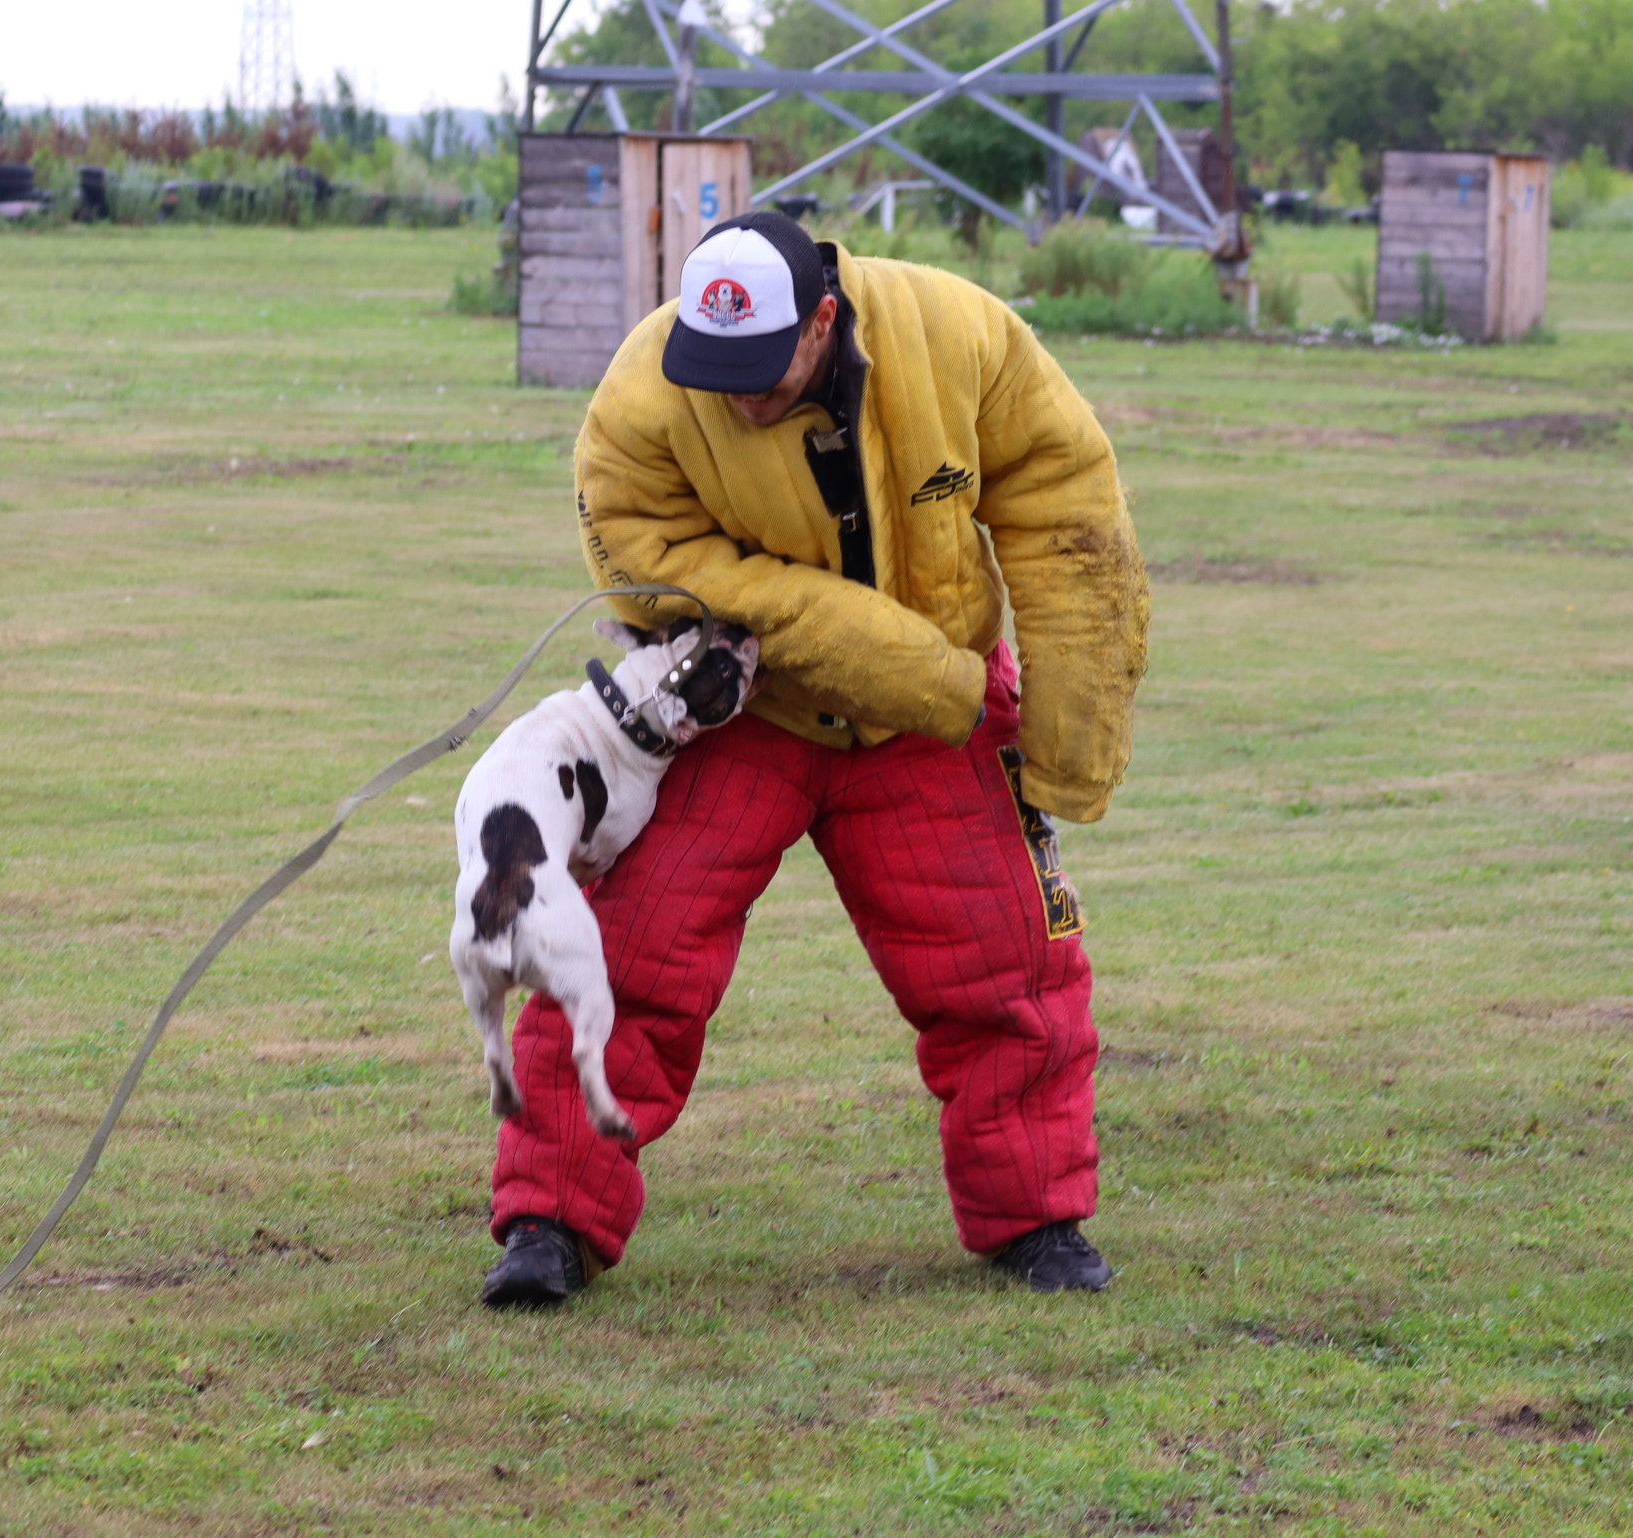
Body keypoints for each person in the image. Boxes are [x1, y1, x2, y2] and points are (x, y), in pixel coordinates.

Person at [481, 210, 1149, 1305]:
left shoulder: (959, 334)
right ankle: (548, 1221)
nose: (738, 399)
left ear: (822, 319)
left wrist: (1073, 732)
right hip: (745, 708)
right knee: (626, 955)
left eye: (761, 371)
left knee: (1009, 968)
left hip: (929, 719)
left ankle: (1038, 1219)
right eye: (715, 373)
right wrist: (908, 667)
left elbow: (1063, 497)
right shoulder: (641, 399)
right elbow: (652, 561)